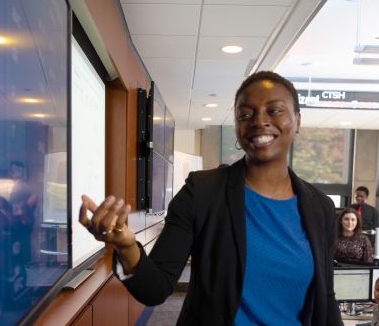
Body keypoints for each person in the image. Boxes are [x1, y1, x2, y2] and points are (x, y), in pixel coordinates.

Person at [78, 71, 343, 325]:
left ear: (297, 120)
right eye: (245, 114)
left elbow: (325, 296)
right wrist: (126, 247)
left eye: (274, 110)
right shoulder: (202, 192)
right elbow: (156, 289)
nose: (259, 121)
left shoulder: (320, 207)